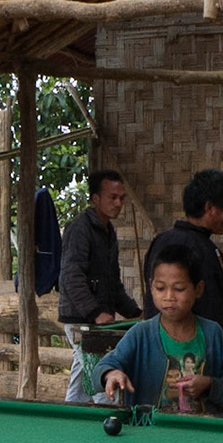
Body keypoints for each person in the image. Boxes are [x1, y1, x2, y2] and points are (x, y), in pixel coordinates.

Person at [143, 169, 223, 400]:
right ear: (209, 208)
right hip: (199, 371)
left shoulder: (159, 242)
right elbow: (217, 320)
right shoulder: (206, 253)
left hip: (156, 366)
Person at [96, 244, 223, 415]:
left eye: (179, 289)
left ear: (198, 289)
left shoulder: (213, 333)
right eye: (160, 288)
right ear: (151, 287)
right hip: (150, 435)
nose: (169, 297)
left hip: (204, 435)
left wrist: (209, 384)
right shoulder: (140, 334)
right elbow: (103, 367)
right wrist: (111, 374)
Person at [57, 169, 143, 403]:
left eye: (122, 198)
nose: (118, 203)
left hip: (95, 320)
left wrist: (134, 313)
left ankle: (71, 413)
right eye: (112, 197)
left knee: (82, 367)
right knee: (98, 368)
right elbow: (71, 277)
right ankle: (107, 413)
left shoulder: (108, 231)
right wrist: (95, 313)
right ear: (96, 199)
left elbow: (112, 282)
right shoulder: (80, 228)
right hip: (80, 319)